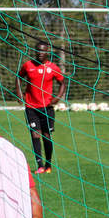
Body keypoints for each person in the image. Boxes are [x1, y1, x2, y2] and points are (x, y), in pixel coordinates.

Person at [17, 41, 67, 173]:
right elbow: (18, 77)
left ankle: (48, 164)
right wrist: (19, 93)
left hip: (47, 108)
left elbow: (63, 83)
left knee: (47, 135)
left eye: (43, 50)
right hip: (31, 107)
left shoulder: (53, 68)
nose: (40, 53)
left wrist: (56, 99)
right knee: (35, 135)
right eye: (38, 50)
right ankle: (39, 165)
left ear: (47, 52)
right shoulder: (28, 65)